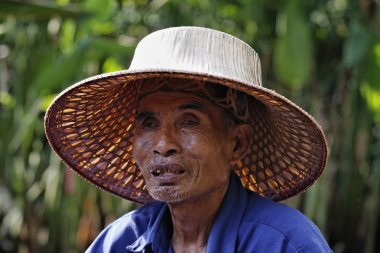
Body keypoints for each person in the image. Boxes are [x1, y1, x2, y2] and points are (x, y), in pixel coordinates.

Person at [45, 27, 332, 252]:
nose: (162, 144)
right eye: (148, 123)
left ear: (237, 144)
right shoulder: (119, 243)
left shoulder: (285, 244)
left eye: (189, 122)